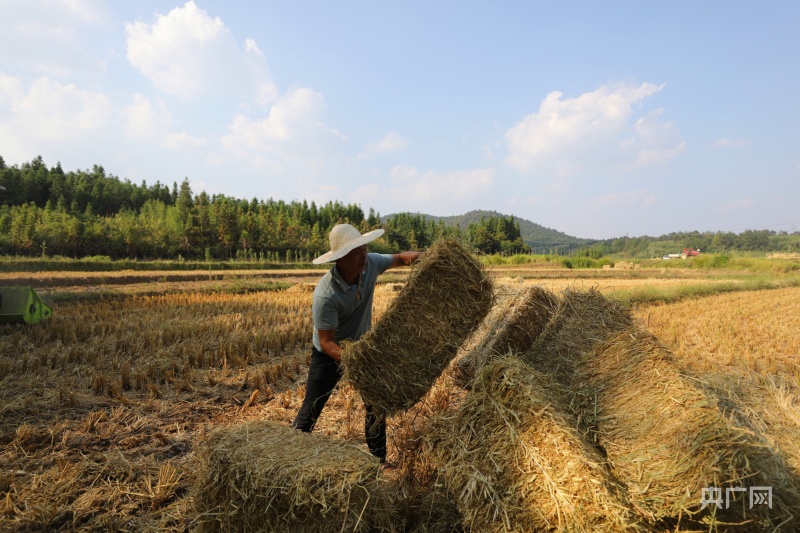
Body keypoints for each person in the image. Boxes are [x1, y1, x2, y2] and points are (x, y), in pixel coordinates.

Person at [291, 223, 422, 467]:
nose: (363, 256)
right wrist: (355, 360)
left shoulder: (370, 263)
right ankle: (288, 457)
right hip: (329, 355)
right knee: (311, 408)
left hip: (362, 348)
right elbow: (327, 342)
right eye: (355, 252)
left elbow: (402, 259)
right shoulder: (326, 295)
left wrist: (430, 257)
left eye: (364, 249)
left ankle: (378, 462)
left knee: (376, 405)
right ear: (340, 259)